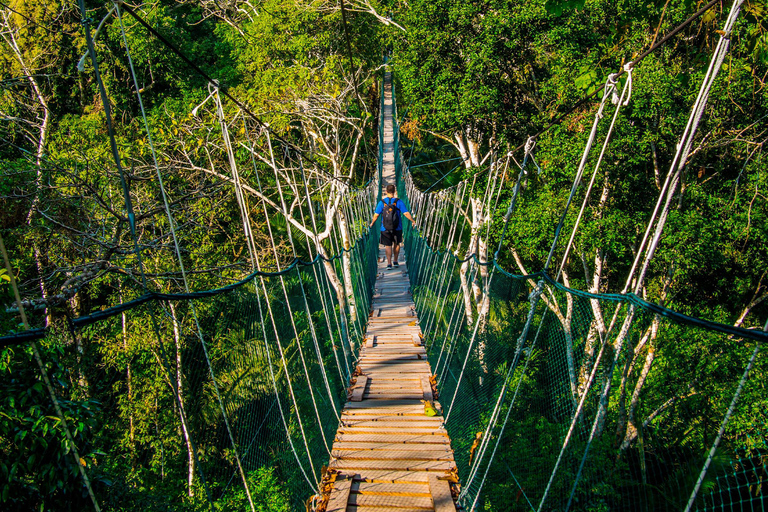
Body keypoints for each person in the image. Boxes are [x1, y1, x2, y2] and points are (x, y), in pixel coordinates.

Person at [370, 184, 415, 270]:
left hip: (385, 228)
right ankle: (395, 261)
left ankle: (389, 263)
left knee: (388, 245)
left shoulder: (382, 202)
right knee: (397, 244)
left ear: (386, 192)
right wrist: (412, 221)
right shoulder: (398, 201)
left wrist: (372, 223)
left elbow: (376, 215)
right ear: (395, 192)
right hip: (397, 227)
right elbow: (405, 213)